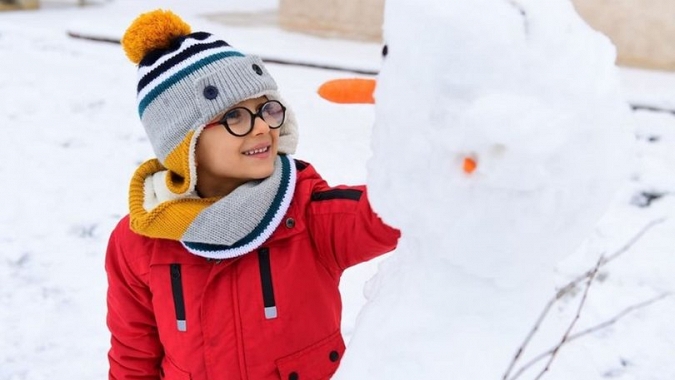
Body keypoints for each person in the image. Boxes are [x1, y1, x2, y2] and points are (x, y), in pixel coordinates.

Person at [105, 9, 400, 380]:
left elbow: (399, 209)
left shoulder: (306, 215)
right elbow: (134, 356)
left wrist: (433, 128)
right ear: (185, 145)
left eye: (266, 109)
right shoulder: (138, 243)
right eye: (235, 116)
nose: (261, 126)